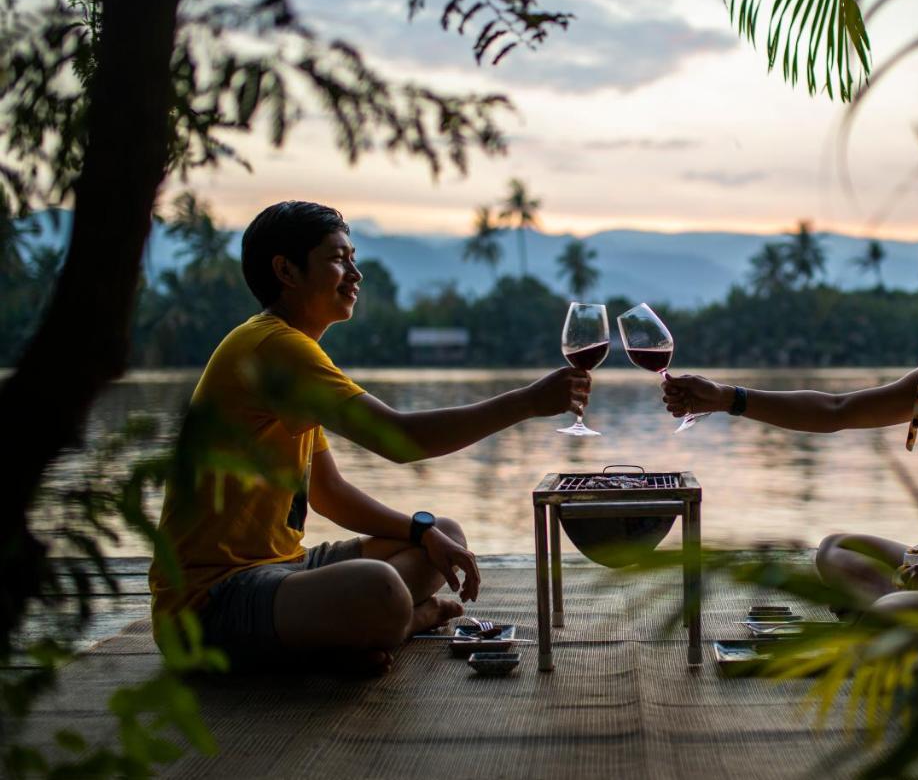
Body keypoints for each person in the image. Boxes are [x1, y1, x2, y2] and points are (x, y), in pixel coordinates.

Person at [148, 200, 591, 671]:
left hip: (280, 569)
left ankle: (352, 633)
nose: (355, 273)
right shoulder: (274, 347)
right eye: (339, 259)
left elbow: (330, 493)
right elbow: (399, 439)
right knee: (378, 589)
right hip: (209, 605)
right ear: (286, 270)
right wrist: (524, 403)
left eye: (353, 257)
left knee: (444, 535)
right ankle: (398, 622)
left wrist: (421, 532)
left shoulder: (291, 350)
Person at [662, 214, 918, 631]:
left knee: (897, 610)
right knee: (836, 550)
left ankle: (904, 617)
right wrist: (727, 398)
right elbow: (838, 409)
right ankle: (910, 618)